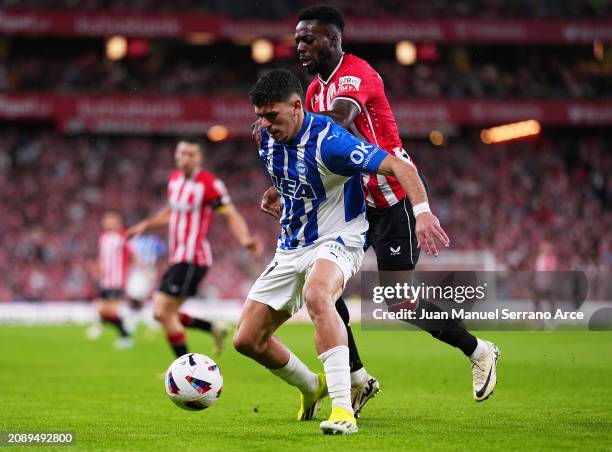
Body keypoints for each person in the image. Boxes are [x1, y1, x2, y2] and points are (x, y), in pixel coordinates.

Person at [257, 5, 500, 408]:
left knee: (399, 300)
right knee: (324, 289)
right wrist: (281, 184)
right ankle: (357, 378)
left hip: (391, 198)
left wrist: (422, 212)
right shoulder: (314, 89)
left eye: (308, 38)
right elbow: (315, 151)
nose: (299, 45)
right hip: (352, 204)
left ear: (333, 40)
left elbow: (335, 122)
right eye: (297, 38)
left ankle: (478, 351)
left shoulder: (357, 74)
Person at [234, 69, 449, 435]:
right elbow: (291, 169)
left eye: (273, 116)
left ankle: (342, 410)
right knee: (247, 340)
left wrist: (423, 213)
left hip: (339, 238)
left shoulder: (331, 141)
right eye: (260, 116)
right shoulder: (264, 137)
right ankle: (310, 385)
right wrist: (279, 191)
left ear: (297, 106)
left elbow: (398, 165)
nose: (265, 124)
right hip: (290, 246)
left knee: (317, 294)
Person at [127, 140, 261, 358]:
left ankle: (185, 366)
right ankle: (213, 329)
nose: (186, 158)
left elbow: (230, 213)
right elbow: (172, 211)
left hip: (193, 259)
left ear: (199, 159)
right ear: (176, 156)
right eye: (182, 153)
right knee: (164, 313)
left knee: (162, 312)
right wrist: (147, 224)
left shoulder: (209, 184)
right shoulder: (174, 181)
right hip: (178, 258)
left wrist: (244, 239)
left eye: (191, 154)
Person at [87, 211, 133, 349]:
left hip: (116, 281)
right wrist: (97, 267)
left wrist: (132, 271)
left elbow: (131, 255)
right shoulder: (103, 238)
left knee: (110, 312)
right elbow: (102, 258)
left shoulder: (122, 237)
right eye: (105, 219)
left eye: (109, 219)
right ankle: (124, 330)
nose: (106, 222)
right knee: (102, 311)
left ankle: (126, 337)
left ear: (117, 221)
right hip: (105, 281)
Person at [125, 233, 166, 332]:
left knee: (139, 296)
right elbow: (131, 257)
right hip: (140, 271)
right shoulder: (135, 241)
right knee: (137, 296)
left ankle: (139, 320)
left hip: (144, 271)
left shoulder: (152, 241)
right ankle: (139, 319)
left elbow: (161, 254)